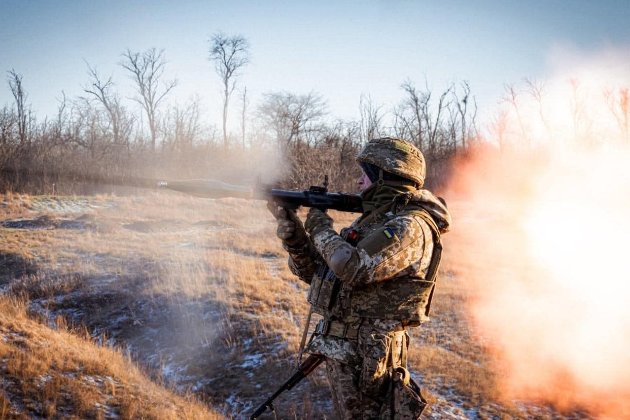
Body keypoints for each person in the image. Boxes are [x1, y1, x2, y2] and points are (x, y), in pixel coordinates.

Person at [269, 137, 451, 419]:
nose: (357, 181)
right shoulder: (374, 221)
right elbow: (321, 272)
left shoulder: (410, 226)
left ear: (385, 176)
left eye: (364, 174)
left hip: (369, 359)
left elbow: (353, 267)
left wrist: (320, 226)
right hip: (348, 351)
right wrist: (293, 234)